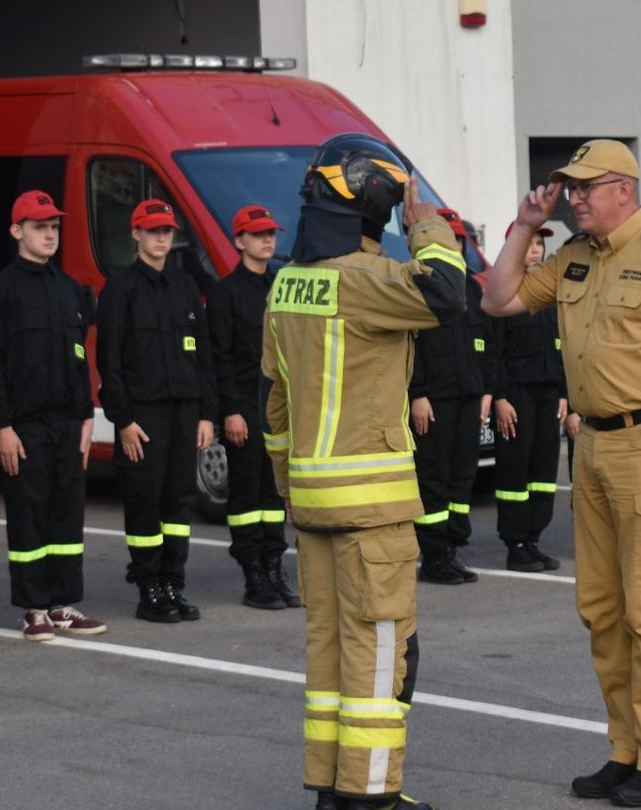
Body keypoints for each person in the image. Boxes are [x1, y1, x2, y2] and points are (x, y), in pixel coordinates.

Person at [483, 139, 641, 807]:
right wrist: (527, 224)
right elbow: (499, 300)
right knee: (603, 610)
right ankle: (627, 749)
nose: (575, 198)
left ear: (623, 187)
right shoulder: (575, 258)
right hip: (589, 447)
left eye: (585, 187)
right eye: (570, 188)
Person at [263, 133, 459, 810]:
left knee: (329, 661)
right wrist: (428, 223)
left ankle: (330, 787)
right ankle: (371, 797)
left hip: (314, 508)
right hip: (373, 514)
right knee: (380, 661)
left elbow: (277, 403)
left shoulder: (288, 281)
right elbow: (447, 292)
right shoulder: (369, 281)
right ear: (378, 199)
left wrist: (292, 489)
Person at [0, 190, 108, 641]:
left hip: (69, 424)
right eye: (39, 226)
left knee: (67, 517)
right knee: (29, 516)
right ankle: (34, 610)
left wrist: (88, 415)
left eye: (54, 226)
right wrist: (3, 427)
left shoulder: (70, 289)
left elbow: (79, 358)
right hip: (25, 426)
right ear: (17, 231)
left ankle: (63, 604)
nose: (50, 233)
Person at [96, 199, 219, 622]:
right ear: (136, 234)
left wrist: (207, 414)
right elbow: (108, 362)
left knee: (179, 503)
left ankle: (173, 583)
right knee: (145, 502)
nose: (161, 238)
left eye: (166, 230)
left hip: (185, 413)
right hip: (143, 419)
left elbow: (203, 354)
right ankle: (149, 586)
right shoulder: (120, 288)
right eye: (152, 231)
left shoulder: (185, 286)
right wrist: (123, 421)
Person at [211, 204, 299, 610]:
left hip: (278, 406)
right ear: (238, 241)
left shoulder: (282, 286)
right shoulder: (226, 293)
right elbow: (221, 356)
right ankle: (253, 576)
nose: (268, 240)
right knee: (246, 497)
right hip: (244, 407)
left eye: (271, 233)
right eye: (258, 234)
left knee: (274, 492)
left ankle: (274, 567)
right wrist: (230, 410)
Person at [408, 209, 494, 586]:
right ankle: (432, 555)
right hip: (435, 399)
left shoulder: (473, 289)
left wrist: (486, 390)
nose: (455, 246)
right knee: (433, 477)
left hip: (468, 395)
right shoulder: (416, 283)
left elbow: (484, 343)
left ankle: (451, 548)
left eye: (460, 239)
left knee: (463, 478)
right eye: (450, 239)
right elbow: (409, 345)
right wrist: (418, 394)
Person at [489, 222, 568, 569]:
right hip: (517, 396)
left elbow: (563, 346)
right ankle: (515, 543)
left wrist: (565, 394)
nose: (535, 249)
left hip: (548, 394)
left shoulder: (549, 293)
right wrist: (500, 397)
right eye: (530, 243)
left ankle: (533, 538)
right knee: (515, 471)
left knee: (543, 470)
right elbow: (494, 350)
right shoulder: (504, 292)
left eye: (540, 244)